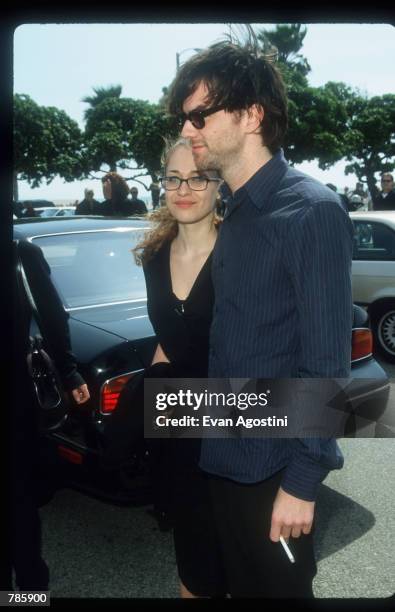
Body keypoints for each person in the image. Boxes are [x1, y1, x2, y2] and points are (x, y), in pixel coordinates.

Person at [167, 36, 354, 598]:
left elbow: (326, 364)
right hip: (218, 455)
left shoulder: (311, 210)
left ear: (251, 115)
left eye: (200, 115)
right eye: (184, 118)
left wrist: (302, 483)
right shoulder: (236, 212)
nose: (189, 129)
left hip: (272, 473)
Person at [131, 137, 227, 598]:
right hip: (183, 433)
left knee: (246, 567)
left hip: (242, 428)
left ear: (218, 183)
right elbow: (169, 343)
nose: (183, 188)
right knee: (193, 567)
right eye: (173, 178)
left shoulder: (241, 253)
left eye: (198, 177)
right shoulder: (153, 258)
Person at [9, 240, 90, 591]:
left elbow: (52, 316)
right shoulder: (19, 252)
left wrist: (69, 372)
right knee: (18, 504)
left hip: (14, 401)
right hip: (14, 401)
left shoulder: (21, 253)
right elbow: (53, 314)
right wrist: (70, 372)